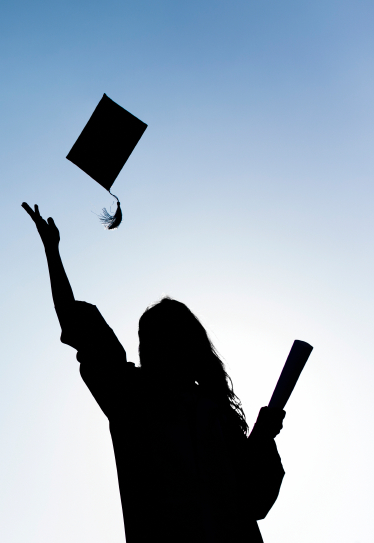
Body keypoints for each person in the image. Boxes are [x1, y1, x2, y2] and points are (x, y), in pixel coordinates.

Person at [22, 202, 286, 543]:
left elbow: (255, 501)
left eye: (172, 334)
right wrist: (52, 253)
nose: (161, 345)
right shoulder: (130, 394)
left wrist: (263, 440)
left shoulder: (216, 412)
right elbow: (76, 321)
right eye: (152, 336)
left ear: (190, 344)